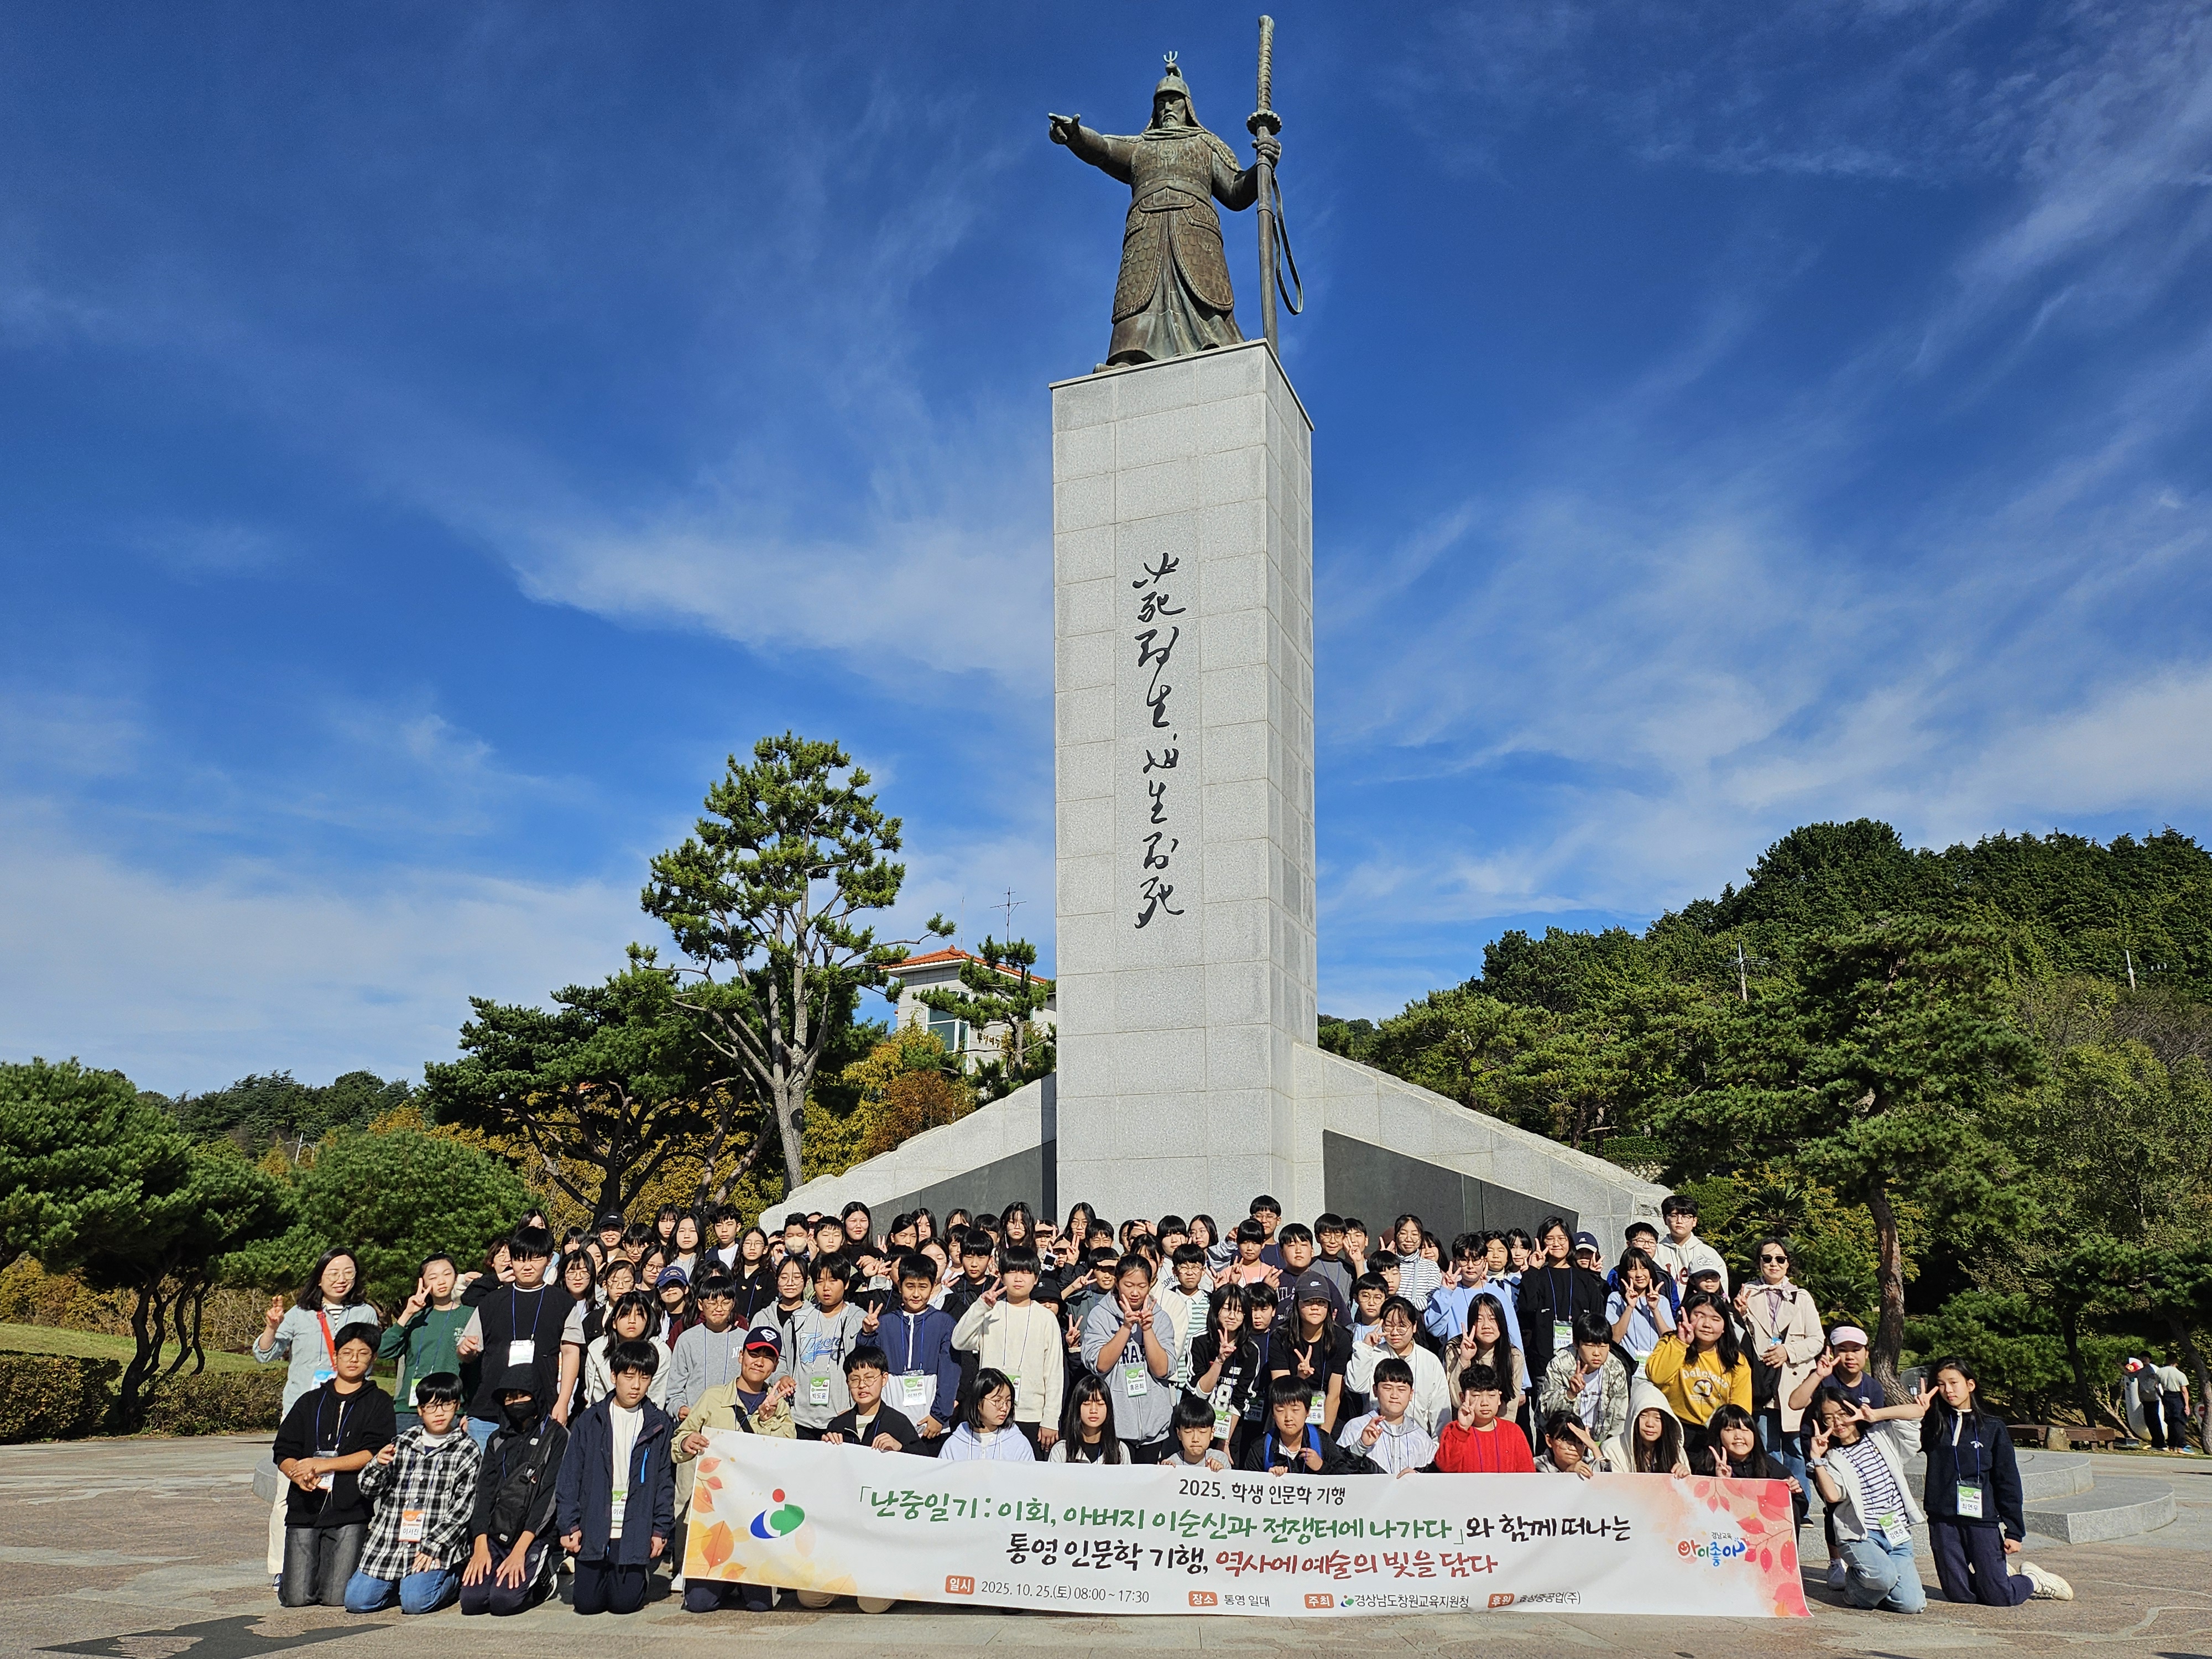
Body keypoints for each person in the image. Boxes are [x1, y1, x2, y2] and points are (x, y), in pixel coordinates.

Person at [255, 1247, 379, 1583]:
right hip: (304, 1413)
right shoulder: (298, 1314)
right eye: (333, 1273)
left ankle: (338, 1565)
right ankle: (282, 1567)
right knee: (288, 1492)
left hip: (348, 1413)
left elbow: (369, 1364)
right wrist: (272, 1327)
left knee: (346, 1491)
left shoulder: (365, 1313)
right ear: (319, 1277)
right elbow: (265, 1355)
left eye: (348, 1273)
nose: (341, 1279)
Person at [1917, 1359, 2072, 1603]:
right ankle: (1995, 1576)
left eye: (1954, 1383)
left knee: (2000, 1597)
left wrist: (2014, 1531)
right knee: (1960, 1595)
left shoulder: (1992, 1427)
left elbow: (2007, 1480)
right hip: (1943, 1520)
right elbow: (1905, 1443)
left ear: (1970, 1385)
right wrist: (1917, 1415)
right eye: (1941, 1384)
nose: (1948, 1390)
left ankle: (2033, 1580)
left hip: (1981, 1519)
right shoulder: (1932, 1425)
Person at [272, 1322, 395, 1608]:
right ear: (335, 1356)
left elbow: (374, 1451)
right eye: (347, 1353)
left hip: (350, 1508)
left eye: (363, 1354)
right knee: (297, 1598)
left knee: (337, 1598)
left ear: (373, 1359)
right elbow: (284, 1449)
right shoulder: (310, 1401)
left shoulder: (379, 1402)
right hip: (306, 1506)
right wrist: (296, 1473)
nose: (354, 1360)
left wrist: (323, 1465)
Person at [674, 1330, 794, 1615]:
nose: (759, 1362)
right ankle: (724, 1583)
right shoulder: (713, 1397)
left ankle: (745, 1582)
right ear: (741, 1356)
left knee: (760, 1606)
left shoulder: (780, 1406)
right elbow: (678, 1441)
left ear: (775, 1367)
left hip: (754, 1517)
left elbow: (787, 1454)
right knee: (699, 1604)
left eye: (768, 1358)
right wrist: (687, 1442)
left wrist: (767, 1419)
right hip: (715, 1515)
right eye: (754, 1354)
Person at [555, 1339, 675, 1617]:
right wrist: (569, 1525)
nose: (636, 1386)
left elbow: (664, 1482)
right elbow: (570, 1476)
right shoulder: (590, 1420)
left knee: (624, 1604)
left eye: (644, 1378)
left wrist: (660, 1530)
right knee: (587, 1605)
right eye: (629, 1377)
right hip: (595, 1524)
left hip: (634, 1527)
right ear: (614, 1376)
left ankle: (638, 1577)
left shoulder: (658, 1423)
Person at [345, 1372, 480, 1614]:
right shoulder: (402, 1442)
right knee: (357, 1601)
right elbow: (367, 1489)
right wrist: (378, 1465)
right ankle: (401, 1585)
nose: (439, 1413)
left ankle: (452, 1577)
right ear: (420, 1410)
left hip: (435, 1541)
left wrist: (434, 1545)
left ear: (457, 1406)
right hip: (390, 1541)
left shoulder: (466, 1449)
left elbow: (464, 1508)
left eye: (447, 1405)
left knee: (416, 1603)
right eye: (431, 1407)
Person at [455, 1227, 585, 1444]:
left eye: (535, 1258)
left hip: (541, 1409)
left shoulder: (563, 1303)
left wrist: (562, 1403)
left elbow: (571, 1353)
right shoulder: (491, 1302)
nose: (527, 1266)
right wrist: (465, 1350)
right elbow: (466, 1351)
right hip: (489, 1412)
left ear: (549, 1259)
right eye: (520, 1259)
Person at [1806, 1386, 1926, 1615]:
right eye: (1829, 1418)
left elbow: (1916, 1413)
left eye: (1843, 1414)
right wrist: (1817, 1459)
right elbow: (1832, 1496)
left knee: (1912, 1605)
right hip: (1862, 1537)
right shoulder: (1832, 1458)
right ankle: (1857, 1587)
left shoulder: (1882, 1436)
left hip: (1897, 1533)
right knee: (1883, 1577)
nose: (1838, 1423)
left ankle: (1874, 1586)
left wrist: (1874, 1415)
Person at [459, 1365, 568, 1616]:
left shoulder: (557, 1436)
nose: (515, 1402)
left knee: (504, 1602)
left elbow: (548, 1499)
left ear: (536, 1395)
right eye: (509, 1398)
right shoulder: (497, 1440)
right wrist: (480, 1545)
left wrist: (520, 1551)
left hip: (534, 1534)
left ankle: (543, 1576)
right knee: (472, 1602)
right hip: (496, 1532)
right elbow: (484, 1493)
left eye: (522, 1395)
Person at [1787, 1324, 1886, 1589]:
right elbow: (1795, 1403)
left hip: (1858, 1455)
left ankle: (1865, 1558)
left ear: (1867, 1353)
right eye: (1843, 1350)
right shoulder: (1824, 1379)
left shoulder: (1873, 1387)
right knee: (1835, 1507)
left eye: (1856, 1350)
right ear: (1833, 1352)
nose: (1850, 1356)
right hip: (1824, 1453)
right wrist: (1818, 1376)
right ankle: (1836, 1563)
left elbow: (1875, 1426)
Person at [1735, 1238, 1822, 1510]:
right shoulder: (1748, 1293)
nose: (1774, 1264)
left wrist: (1788, 1351)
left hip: (1794, 1382)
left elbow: (1817, 1340)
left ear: (1788, 1263)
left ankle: (1801, 1504)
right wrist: (1739, 1315)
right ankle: (1773, 1502)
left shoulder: (1801, 1297)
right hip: (1762, 1382)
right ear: (1759, 1262)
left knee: (1795, 1446)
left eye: (1780, 1259)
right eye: (1767, 1259)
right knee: (1766, 1444)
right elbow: (1741, 1339)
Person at [951, 1245, 1063, 1454]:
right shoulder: (990, 1311)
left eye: (1026, 1272)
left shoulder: (1046, 1318)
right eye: (1012, 1272)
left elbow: (1054, 1372)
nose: (1018, 1278)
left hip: (1031, 1415)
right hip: (990, 1413)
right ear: (1001, 1276)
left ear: (1036, 1278)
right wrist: (980, 1307)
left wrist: (1050, 1418)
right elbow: (959, 1341)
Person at [1082, 1253, 1176, 1462]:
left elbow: (1163, 1370)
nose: (1135, 1292)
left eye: (1142, 1286)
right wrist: (1126, 1327)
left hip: (1154, 1428)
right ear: (1117, 1283)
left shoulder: (1160, 1317)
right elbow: (1100, 1364)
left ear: (1150, 1285)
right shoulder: (1101, 1315)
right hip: (1115, 1428)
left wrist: (1147, 1330)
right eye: (1128, 1285)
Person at [1645, 1290, 1751, 1454]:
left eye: (1715, 1319)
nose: (1707, 1324)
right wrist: (1681, 1343)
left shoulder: (1736, 1359)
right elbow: (1657, 1376)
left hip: (1716, 1433)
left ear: (1725, 1326)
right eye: (1699, 1316)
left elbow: (1739, 1410)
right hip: (1674, 1428)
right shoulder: (1670, 1342)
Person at [879, 1251, 960, 1453]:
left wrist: (939, 1416)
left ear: (933, 1287)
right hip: (892, 1426)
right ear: (900, 1286)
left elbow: (950, 1374)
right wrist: (866, 1334)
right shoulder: (884, 1323)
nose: (916, 1294)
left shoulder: (944, 1323)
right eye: (910, 1286)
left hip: (931, 1425)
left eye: (923, 1287)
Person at [379, 1255, 471, 1433]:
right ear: (423, 1283)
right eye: (433, 1277)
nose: (441, 1281)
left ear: (456, 1277)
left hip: (450, 1408)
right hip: (410, 1409)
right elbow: (383, 1350)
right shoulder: (415, 1317)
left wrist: (469, 1410)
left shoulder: (470, 1315)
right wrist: (407, 1314)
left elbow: (476, 1370)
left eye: (447, 1274)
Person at [1515, 1216, 1611, 1384]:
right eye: (1550, 1239)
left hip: (1580, 1365)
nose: (1556, 1244)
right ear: (1542, 1242)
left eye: (1561, 1238)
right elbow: (1527, 1306)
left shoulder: (1585, 1280)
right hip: (1544, 1364)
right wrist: (1532, 1269)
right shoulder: (1536, 1276)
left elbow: (1598, 1319)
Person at [783, 1255, 869, 1439]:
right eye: (820, 1281)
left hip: (841, 1417)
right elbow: (783, 1358)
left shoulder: (858, 1320)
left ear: (846, 1284)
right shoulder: (798, 1320)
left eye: (833, 1280)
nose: (826, 1288)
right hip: (800, 1419)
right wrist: (782, 1376)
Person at [1347, 1295, 1452, 1433]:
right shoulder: (1373, 1354)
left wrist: (1438, 1443)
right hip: (1377, 1436)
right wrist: (1366, 1348)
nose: (1395, 1332)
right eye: (1389, 1326)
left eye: (1402, 1326)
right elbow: (1356, 1386)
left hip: (1417, 1439)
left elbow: (1441, 1411)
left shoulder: (1430, 1361)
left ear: (1414, 1327)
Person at [1243, 1374, 1381, 1475]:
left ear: (1308, 1411)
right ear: (1273, 1414)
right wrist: (1267, 1478)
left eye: (1295, 1410)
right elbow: (1248, 1487)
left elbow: (1346, 1476)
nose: (1288, 1418)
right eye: (1280, 1410)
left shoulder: (1321, 1441)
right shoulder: (1261, 1447)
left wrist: (1321, 1467)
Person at [1188, 1285, 1265, 1463]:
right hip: (1197, 1424)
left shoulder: (1251, 1351)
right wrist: (1220, 1360)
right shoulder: (1199, 1341)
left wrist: (1225, 1442)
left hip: (1230, 1428)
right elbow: (1200, 1393)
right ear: (1216, 1311)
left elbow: (1240, 1400)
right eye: (1227, 1309)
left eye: (1239, 1311)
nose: (1232, 1316)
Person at [1268, 1274, 1350, 1434]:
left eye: (1321, 1302)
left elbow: (1335, 1395)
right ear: (1297, 1303)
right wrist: (1299, 1379)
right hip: (1289, 1412)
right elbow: (1281, 1393)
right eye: (1308, 1301)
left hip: (1329, 1414)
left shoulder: (1341, 1338)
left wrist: (1323, 1438)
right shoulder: (1281, 1337)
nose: (1315, 1307)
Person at [1536, 1312, 1631, 1448]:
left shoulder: (1615, 1369)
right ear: (1576, 1343)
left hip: (1600, 1443)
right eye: (1590, 1346)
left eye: (1603, 1346)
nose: (1597, 1353)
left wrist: (1608, 1448)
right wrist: (1570, 1394)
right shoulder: (1561, 1364)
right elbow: (1546, 1411)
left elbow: (1619, 1418)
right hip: (1564, 1442)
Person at [664, 1271, 750, 1417]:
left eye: (725, 1303)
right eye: (712, 1303)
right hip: (696, 1419)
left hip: (734, 1420)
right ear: (701, 1305)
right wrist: (679, 1408)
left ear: (733, 1304)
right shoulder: (687, 1340)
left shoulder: (745, 1339)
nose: (719, 1309)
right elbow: (674, 1389)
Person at [1422, 1233, 1523, 1353]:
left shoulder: (1498, 1293)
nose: (1470, 1266)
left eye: (1476, 1260)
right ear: (1455, 1262)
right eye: (1464, 1261)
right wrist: (1445, 1293)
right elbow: (1435, 1329)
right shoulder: (1448, 1292)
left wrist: (1520, 1363)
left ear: (1484, 1261)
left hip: (1494, 1360)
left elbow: (1513, 1334)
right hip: (1458, 1359)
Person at [1337, 1357, 1437, 1474]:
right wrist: (1360, 1446)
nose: (1394, 1395)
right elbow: (1338, 1471)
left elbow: (1434, 1479)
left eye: (1401, 1389)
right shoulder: (1356, 1428)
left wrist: (1417, 1476)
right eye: (1387, 1388)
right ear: (1375, 1390)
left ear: (1411, 1394)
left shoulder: (1422, 1438)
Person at [1432, 1363, 1534, 1473]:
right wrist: (1462, 1429)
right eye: (1477, 1396)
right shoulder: (1454, 1430)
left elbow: (1528, 1474)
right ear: (1463, 1398)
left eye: (1491, 1395)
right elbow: (1445, 1467)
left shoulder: (1513, 1432)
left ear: (1499, 1398)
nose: (1485, 1403)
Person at [582, 1291, 673, 1411]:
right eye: (625, 1314)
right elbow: (596, 1396)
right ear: (614, 1322)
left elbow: (657, 1397)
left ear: (648, 1321)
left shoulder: (660, 1352)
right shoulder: (597, 1349)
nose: (632, 1320)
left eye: (639, 1315)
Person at [1444, 1296, 1526, 1427]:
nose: (1486, 1326)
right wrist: (1464, 1359)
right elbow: (1455, 1400)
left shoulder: (1513, 1356)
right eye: (1479, 1319)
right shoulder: (1456, 1349)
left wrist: (1496, 1433)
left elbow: (1509, 1409)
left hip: (1496, 1429)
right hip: (1464, 1425)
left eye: (1493, 1319)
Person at [823, 1345, 920, 1451]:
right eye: (855, 1380)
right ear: (848, 1383)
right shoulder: (838, 1426)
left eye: (869, 1378)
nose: (862, 1385)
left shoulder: (899, 1424)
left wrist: (899, 1448)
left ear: (884, 1379)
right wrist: (826, 1446)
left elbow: (922, 1458)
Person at [1693, 1402, 1803, 1494]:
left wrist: (1793, 1490)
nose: (1738, 1436)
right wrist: (1721, 1482)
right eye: (1730, 1430)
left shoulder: (1767, 1465)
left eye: (1745, 1430)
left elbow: (1798, 1503)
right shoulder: (1707, 1468)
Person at [940, 1368, 1036, 1462]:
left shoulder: (1018, 1443)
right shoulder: (955, 1444)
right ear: (978, 1401)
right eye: (998, 1401)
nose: (1004, 1408)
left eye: (1008, 1401)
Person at [1605, 1248, 1676, 1366]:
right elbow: (1614, 1339)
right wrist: (1629, 1307)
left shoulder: (1662, 1301)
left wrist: (1655, 1309)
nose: (1639, 1274)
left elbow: (1671, 1341)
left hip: (1656, 1367)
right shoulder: (1616, 1299)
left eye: (1644, 1268)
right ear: (1625, 1273)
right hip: (1628, 1367)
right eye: (1633, 1269)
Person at [1156, 1243, 1212, 1387]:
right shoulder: (1166, 1300)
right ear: (1175, 1271)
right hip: (1174, 1377)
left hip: (1202, 1377)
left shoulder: (1211, 1301)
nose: (1190, 1273)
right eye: (1184, 1268)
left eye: (1195, 1267)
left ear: (1203, 1270)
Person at [1607, 1379, 1692, 1475]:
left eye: (1658, 1418)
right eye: (1643, 1416)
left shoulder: (1676, 1451)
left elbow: (1687, 1484)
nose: (1650, 1424)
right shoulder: (1613, 1449)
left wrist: (1685, 1477)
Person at [1651, 1194, 1728, 1295]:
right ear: (1665, 1219)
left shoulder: (1708, 1253)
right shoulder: (1655, 1253)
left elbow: (1722, 1293)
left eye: (1685, 1217)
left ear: (1694, 1221)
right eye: (1674, 1216)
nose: (1679, 1221)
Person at [1535, 1410, 1615, 1476]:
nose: (1573, 1448)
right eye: (1566, 1440)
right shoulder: (1537, 1466)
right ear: (1550, 1441)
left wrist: (1594, 1447)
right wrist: (1567, 1474)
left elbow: (1608, 1484)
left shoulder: (1588, 1465)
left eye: (1580, 1442)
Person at [1161, 1392, 1227, 1470]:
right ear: (1179, 1434)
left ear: (1212, 1433)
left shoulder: (1221, 1459)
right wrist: (1165, 1473)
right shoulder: (1171, 1464)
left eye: (1202, 1432)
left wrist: (1221, 1473)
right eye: (1188, 1432)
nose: (1195, 1439)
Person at [2154, 1357, 2197, 1453]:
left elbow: (2156, 1385)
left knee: (2170, 1421)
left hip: (2166, 1395)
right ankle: (2181, 1446)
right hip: (2177, 1396)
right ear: (2176, 1362)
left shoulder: (2160, 1372)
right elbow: (2184, 1391)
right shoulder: (2180, 1374)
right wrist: (2187, 1405)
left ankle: (2171, 1445)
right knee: (2179, 1421)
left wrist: (2161, 1396)